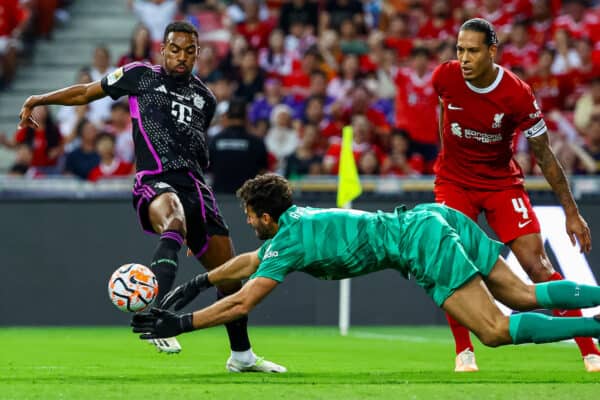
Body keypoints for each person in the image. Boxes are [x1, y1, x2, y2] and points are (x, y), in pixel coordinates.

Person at [17, 21, 285, 373]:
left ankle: (242, 356)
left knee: (230, 278)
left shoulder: (206, 98)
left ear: (198, 54)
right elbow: (86, 92)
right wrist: (40, 99)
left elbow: (195, 148)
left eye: (190, 51)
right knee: (172, 218)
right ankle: (157, 314)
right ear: (163, 49)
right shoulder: (140, 75)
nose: (182, 57)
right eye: (175, 49)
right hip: (155, 178)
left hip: (196, 188)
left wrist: (196, 221)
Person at [131, 174, 600, 368]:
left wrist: (182, 323)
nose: (248, 222)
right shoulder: (293, 223)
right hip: (430, 217)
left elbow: (243, 300)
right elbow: (249, 263)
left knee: (495, 330)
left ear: (265, 217)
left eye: (250, 215)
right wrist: (198, 281)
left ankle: (596, 326)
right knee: (520, 295)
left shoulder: (288, 242)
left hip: (421, 242)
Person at [432, 18, 599, 372]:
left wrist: (571, 211)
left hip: (500, 185)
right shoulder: (444, 77)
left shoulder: (517, 93)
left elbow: (544, 154)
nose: (463, 58)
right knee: (448, 259)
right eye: (460, 50)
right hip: (454, 183)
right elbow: (444, 111)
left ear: (493, 51)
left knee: (538, 267)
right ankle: (464, 352)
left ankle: (590, 350)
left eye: (472, 51)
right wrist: (446, 160)